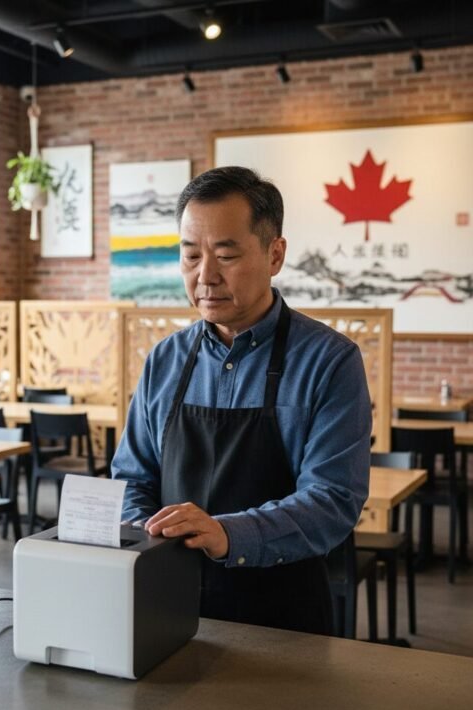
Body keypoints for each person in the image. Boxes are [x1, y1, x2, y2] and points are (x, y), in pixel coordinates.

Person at [111, 166, 372, 635]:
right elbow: (131, 477)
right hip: (166, 604)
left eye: (226, 255)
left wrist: (228, 533)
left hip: (283, 619)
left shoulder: (329, 361)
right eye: (190, 256)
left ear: (276, 255)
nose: (205, 275)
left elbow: (333, 500)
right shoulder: (164, 360)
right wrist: (146, 532)